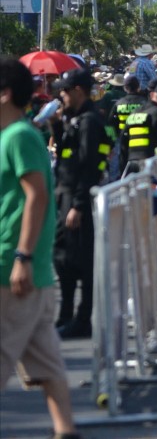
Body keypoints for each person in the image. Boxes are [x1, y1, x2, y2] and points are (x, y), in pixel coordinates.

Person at [0, 57, 81, 439]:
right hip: (28, 270)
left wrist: (22, 257)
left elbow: (36, 198)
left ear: (5, 95)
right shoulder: (15, 135)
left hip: (12, 268)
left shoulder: (18, 137)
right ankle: (66, 431)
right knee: (46, 361)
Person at [49, 69, 110, 340]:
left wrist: (78, 204)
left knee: (83, 262)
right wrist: (56, 126)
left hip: (78, 199)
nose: (61, 96)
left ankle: (83, 319)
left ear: (77, 91)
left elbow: (88, 167)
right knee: (62, 258)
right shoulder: (74, 120)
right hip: (64, 196)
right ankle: (65, 315)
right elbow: (65, 156)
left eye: (64, 91)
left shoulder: (89, 122)